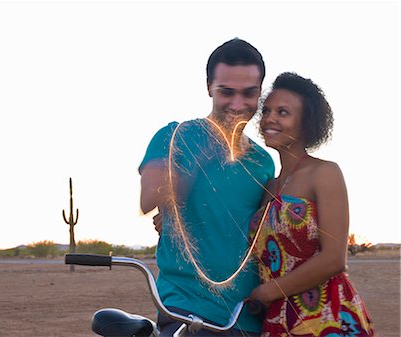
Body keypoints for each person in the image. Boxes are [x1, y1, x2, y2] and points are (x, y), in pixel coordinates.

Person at [139, 38, 275, 336]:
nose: (238, 104)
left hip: (246, 315)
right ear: (209, 87)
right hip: (186, 310)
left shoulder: (264, 162)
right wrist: (201, 157)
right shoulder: (172, 137)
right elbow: (148, 198)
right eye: (227, 92)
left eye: (249, 93)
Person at [247, 72, 375, 336]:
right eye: (267, 110)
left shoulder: (324, 173)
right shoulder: (268, 187)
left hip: (328, 317)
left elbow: (334, 259)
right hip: (278, 321)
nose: (270, 118)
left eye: (283, 112)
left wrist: (268, 291)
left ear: (306, 123)